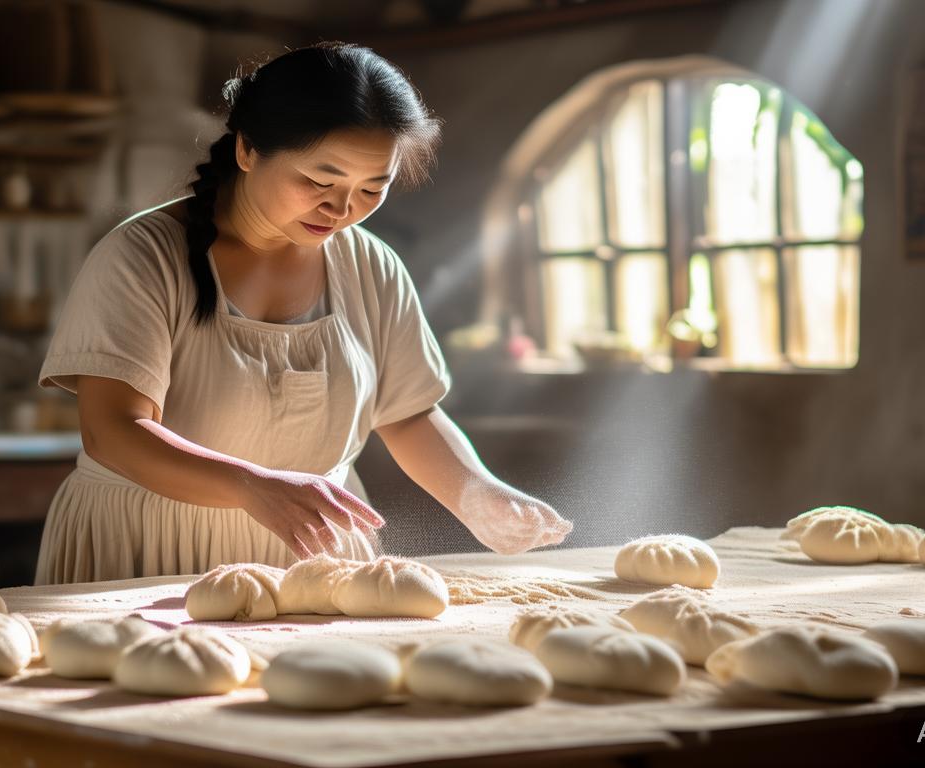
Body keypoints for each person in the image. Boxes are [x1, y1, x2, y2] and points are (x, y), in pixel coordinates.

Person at [34, 42, 571, 584]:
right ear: (247, 150)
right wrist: (249, 486)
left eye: (371, 188)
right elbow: (114, 430)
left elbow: (407, 413)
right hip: (150, 545)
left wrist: (477, 489)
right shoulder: (144, 256)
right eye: (318, 181)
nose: (341, 210)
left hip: (316, 555)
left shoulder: (371, 266)